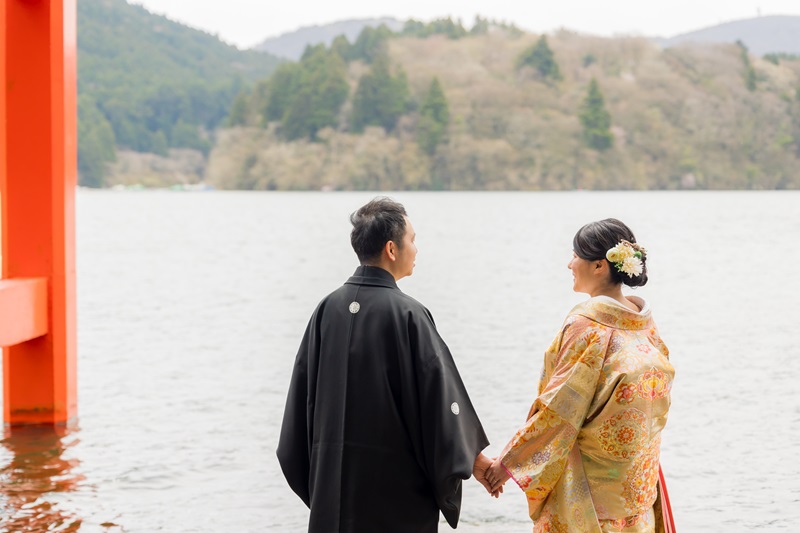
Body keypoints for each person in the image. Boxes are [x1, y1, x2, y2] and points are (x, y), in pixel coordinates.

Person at [277, 197, 496, 533]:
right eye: (412, 240)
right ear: (392, 249)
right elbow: (439, 402)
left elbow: (298, 410)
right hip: (395, 498)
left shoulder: (325, 310)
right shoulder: (408, 314)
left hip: (332, 496)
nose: (416, 249)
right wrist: (471, 458)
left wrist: (322, 484)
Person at [485, 218, 675, 533]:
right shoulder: (645, 324)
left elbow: (558, 408)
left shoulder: (587, 324)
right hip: (637, 483)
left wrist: (507, 464)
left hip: (591, 493)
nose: (569, 263)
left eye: (575, 255)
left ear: (600, 266)